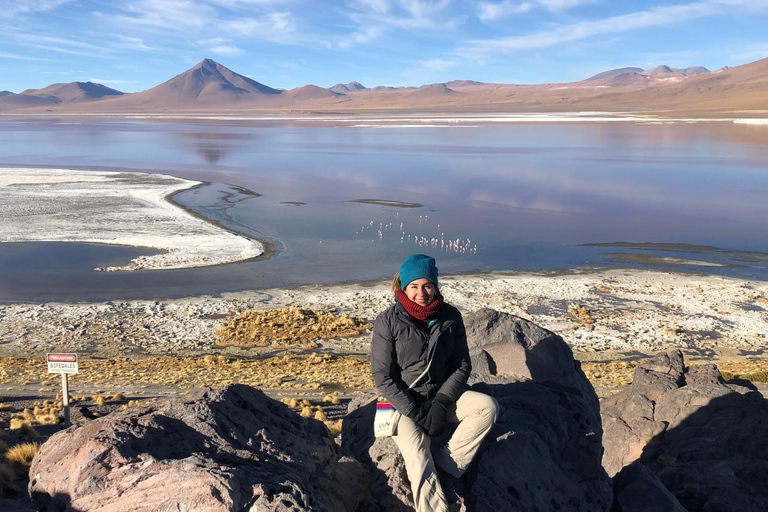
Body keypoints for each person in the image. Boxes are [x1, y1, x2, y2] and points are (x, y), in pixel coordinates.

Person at [371, 253, 499, 512]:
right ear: (403, 288)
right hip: (403, 403)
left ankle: (448, 463)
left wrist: (441, 403)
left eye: (427, 285)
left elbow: (462, 365)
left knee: (487, 407)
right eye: (414, 286)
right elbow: (382, 376)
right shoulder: (388, 321)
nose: (422, 293)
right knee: (418, 458)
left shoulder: (450, 316)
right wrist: (417, 412)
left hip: (441, 396)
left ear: (436, 286)